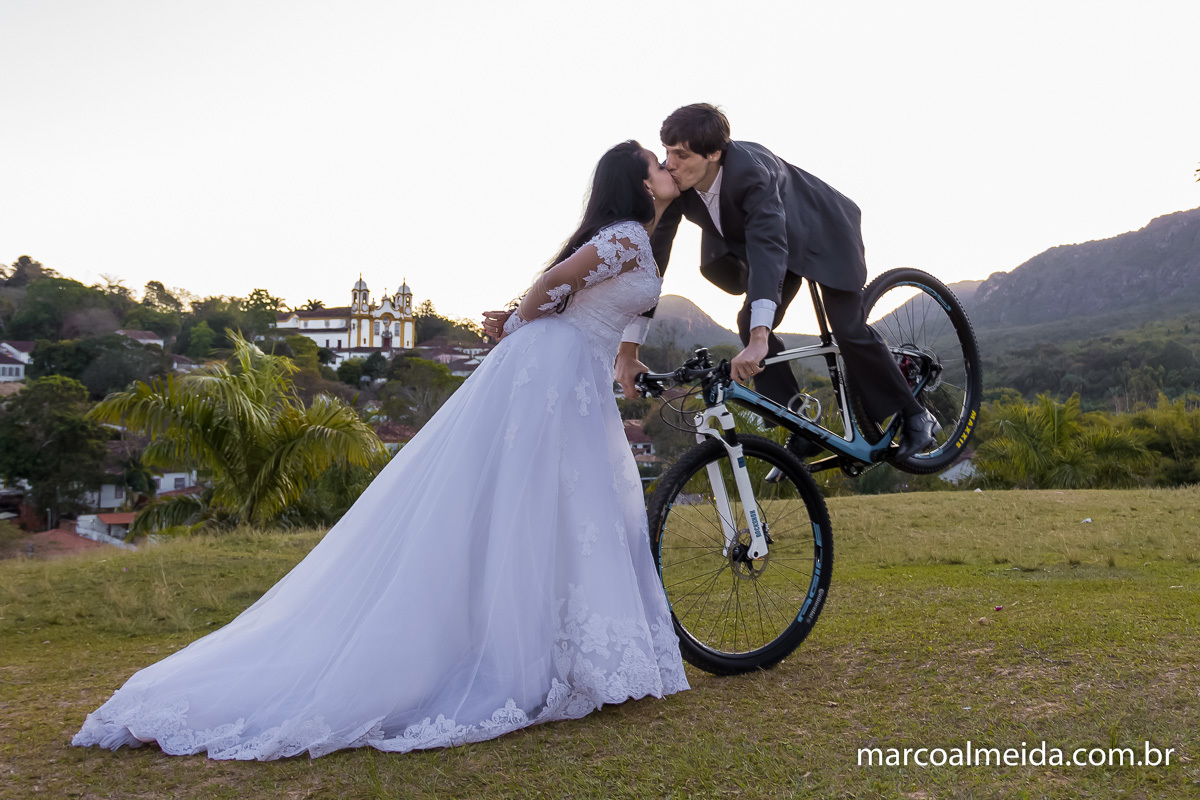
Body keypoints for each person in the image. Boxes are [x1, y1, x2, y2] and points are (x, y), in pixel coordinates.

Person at [73, 141, 689, 761]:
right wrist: (519, 325)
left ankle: (561, 650)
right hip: (555, 368)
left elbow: (577, 295)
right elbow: (556, 280)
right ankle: (534, 655)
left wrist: (533, 325)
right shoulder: (630, 236)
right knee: (551, 500)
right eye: (657, 164)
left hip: (571, 370)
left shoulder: (637, 236)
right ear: (637, 184)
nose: (667, 169)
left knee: (563, 503)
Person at [613, 104, 937, 461]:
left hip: (821, 234)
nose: (669, 164)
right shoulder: (680, 186)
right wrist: (629, 350)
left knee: (847, 327)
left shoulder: (753, 173)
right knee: (745, 320)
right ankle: (800, 425)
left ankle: (915, 415)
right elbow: (655, 259)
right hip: (772, 244)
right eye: (667, 152)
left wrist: (758, 340)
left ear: (714, 153)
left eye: (681, 154)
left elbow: (768, 250)